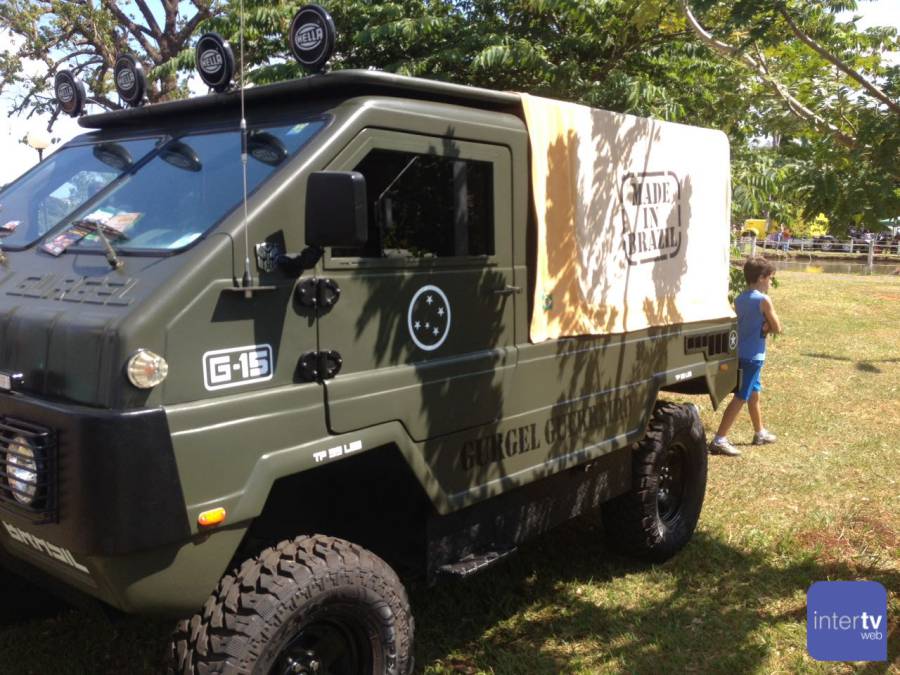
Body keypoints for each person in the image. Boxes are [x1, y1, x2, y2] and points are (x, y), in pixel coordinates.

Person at [709, 256, 783, 457]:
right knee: (741, 397)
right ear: (761, 278)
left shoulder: (739, 299)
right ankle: (719, 439)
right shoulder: (764, 300)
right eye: (769, 278)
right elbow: (777, 327)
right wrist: (767, 326)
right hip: (753, 357)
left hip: (740, 354)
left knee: (754, 394)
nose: (770, 283)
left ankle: (760, 433)